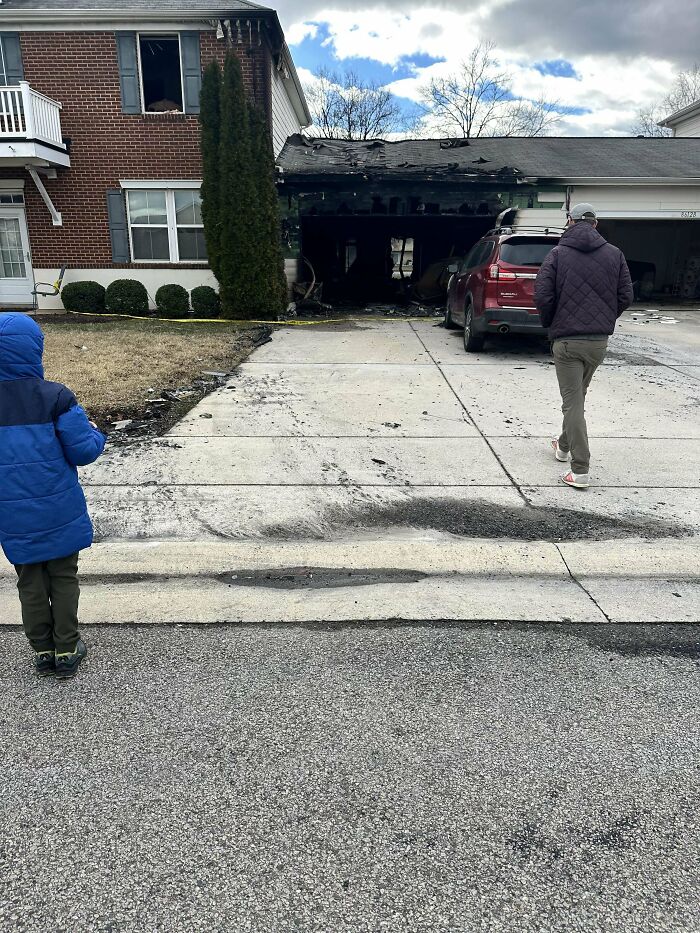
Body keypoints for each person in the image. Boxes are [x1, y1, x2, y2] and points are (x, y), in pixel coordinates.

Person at [0, 313, 106, 678]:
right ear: (34, 350)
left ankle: (42, 649)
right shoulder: (55, 396)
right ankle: (67, 646)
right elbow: (83, 452)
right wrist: (95, 431)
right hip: (58, 508)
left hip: (11, 515)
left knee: (29, 580)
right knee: (63, 576)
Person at [535, 203, 633, 489]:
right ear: (595, 223)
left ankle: (580, 470)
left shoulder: (557, 254)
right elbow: (626, 295)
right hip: (597, 343)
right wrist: (604, 318)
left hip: (567, 342)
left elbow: (542, 294)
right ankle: (563, 446)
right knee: (577, 398)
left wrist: (552, 323)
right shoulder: (615, 254)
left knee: (572, 402)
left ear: (570, 221)